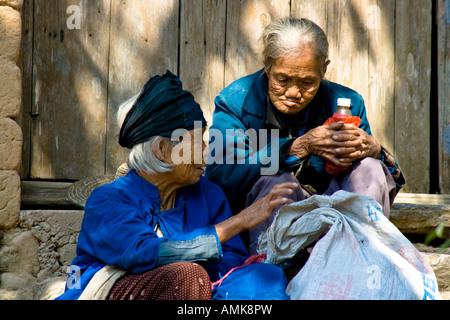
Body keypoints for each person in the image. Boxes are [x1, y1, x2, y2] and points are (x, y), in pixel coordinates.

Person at [56, 71, 297, 300]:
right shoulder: (108, 201)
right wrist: (240, 221)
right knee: (186, 276)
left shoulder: (209, 194)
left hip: (197, 289)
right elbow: (147, 252)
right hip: (118, 290)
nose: (206, 154)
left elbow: (232, 260)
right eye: (197, 144)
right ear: (162, 150)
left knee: (265, 276)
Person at [205, 17, 405, 254]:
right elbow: (220, 176)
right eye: (282, 79)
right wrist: (297, 148)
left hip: (334, 211)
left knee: (370, 168)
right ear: (267, 66)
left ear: (324, 69)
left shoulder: (347, 104)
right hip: (266, 217)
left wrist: (376, 151)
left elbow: (370, 180)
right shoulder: (235, 102)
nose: (293, 92)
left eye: (307, 82)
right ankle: (279, 268)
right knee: (277, 182)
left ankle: (359, 257)